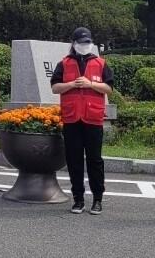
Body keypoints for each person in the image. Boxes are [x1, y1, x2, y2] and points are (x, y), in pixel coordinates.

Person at [51, 27, 113, 215]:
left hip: (93, 118)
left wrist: (90, 84)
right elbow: (55, 87)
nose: (84, 45)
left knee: (95, 160)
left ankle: (97, 199)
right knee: (74, 160)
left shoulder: (101, 63)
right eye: (81, 42)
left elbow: (109, 88)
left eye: (87, 42)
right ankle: (78, 199)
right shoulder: (64, 63)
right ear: (74, 43)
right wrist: (72, 84)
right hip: (72, 118)